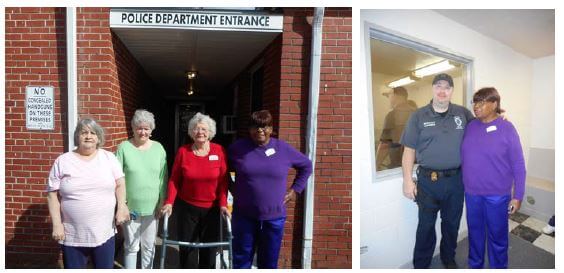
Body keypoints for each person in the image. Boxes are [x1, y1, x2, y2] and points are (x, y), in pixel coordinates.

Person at [400, 73, 474, 269]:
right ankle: (421, 265)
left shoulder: (463, 114)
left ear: (452, 91)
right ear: (433, 89)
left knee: (451, 225)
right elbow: (409, 151)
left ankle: (448, 258)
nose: (442, 91)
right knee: (425, 227)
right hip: (428, 182)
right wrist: (407, 180)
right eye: (438, 86)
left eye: (447, 87)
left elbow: (481, 130)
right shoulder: (418, 116)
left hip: (456, 181)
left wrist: (499, 118)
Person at [228, 110, 313, 269]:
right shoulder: (237, 148)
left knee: (268, 264)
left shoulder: (282, 148)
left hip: (274, 217)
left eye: (264, 126)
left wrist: (295, 190)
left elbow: (306, 166)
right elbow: (222, 169)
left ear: (271, 128)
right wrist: (231, 186)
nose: (260, 130)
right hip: (244, 216)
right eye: (255, 126)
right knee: (241, 261)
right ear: (249, 129)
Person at [47, 118, 130, 269]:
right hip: (73, 236)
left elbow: (120, 184)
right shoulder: (63, 161)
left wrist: (122, 206)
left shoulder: (109, 158)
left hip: (104, 234)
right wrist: (57, 224)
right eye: (84, 132)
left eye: (93, 133)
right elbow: (52, 195)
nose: (88, 136)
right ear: (77, 136)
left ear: (99, 138)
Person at [461, 87, 526, 269]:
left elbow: (519, 165)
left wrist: (518, 196)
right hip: (472, 194)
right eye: (475, 102)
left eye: (482, 102)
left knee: (497, 238)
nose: (476, 106)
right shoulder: (471, 126)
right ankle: (475, 266)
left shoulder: (507, 128)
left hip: (497, 196)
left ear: (494, 104)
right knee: (475, 235)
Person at [160, 112, 229, 269]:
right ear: (192, 132)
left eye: (204, 129)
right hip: (187, 208)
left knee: (209, 251)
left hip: (212, 209)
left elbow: (223, 181)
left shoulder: (219, 151)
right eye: (197, 129)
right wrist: (169, 202)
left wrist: (223, 204)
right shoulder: (184, 152)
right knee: (187, 249)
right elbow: (174, 179)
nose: (200, 132)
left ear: (210, 132)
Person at [116, 109, 168, 269]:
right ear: (133, 128)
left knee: (149, 245)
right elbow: (117, 177)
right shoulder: (124, 147)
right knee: (131, 245)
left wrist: (162, 202)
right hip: (131, 207)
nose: (142, 131)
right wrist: (122, 204)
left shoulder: (158, 148)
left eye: (146, 128)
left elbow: (163, 178)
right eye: (139, 127)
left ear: (151, 130)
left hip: (153, 208)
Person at [376, 87, 417, 171]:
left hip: (399, 168)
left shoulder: (392, 115)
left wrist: (375, 166)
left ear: (395, 95)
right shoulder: (417, 113)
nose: (389, 99)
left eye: (389, 96)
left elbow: (385, 145)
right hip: (417, 165)